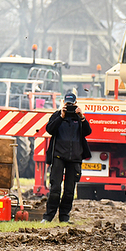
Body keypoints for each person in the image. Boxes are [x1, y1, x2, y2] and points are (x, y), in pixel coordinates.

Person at [42, 92, 91, 223]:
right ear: (63, 103)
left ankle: (64, 217)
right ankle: (48, 217)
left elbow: (88, 132)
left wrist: (82, 117)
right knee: (55, 188)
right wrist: (61, 117)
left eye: (71, 104)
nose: (69, 106)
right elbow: (49, 129)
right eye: (67, 104)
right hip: (58, 156)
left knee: (69, 190)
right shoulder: (57, 115)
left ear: (76, 104)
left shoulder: (79, 118)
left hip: (75, 158)